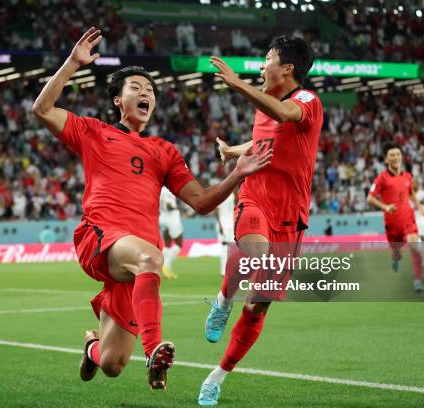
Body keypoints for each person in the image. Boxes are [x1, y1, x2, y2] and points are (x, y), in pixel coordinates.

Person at [31, 27, 272, 391]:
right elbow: (42, 108)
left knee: (112, 363)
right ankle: (154, 352)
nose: (146, 94)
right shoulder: (94, 132)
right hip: (101, 238)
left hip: (135, 262)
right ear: (117, 101)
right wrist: (72, 63)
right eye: (136, 89)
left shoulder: (165, 151)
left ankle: (91, 346)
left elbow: (202, 202)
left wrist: (237, 173)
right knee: (151, 258)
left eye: (150, 92)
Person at [197, 36, 323, 406]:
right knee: (258, 256)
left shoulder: (307, 101)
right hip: (255, 200)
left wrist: (237, 84)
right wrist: (234, 151)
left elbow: (285, 117)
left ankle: (216, 377)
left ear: (288, 68)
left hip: (291, 216)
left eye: (266, 58)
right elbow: (263, 144)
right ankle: (223, 299)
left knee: (259, 304)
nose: (260, 64)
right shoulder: (262, 105)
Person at [367, 143, 424, 292]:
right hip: (392, 224)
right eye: (392, 155)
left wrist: (419, 206)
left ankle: (418, 281)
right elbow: (370, 198)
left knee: (414, 246)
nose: (395, 157)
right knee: (398, 254)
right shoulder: (381, 179)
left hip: (408, 220)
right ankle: (395, 257)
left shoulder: (407, 176)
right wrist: (385, 207)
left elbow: (411, 193)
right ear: (386, 159)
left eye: (397, 154)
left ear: (401, 156)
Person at [159, 187, 183, 279]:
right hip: (172, 219)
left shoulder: (160, 189)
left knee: (167, 244)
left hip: (163, 217)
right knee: (179, 244)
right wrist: (178, 207)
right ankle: (166, 266)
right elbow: (169, 205)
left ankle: (163, 267)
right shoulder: (167, 189)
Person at [216, 189, 236, 277]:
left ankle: (230, 269)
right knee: (225, 245)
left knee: (232, 245)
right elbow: (216, 210)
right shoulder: (221, 195)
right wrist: (220, 224)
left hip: (231, 222)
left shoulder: (232, 196)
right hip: (223, 222)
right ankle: (223, 270)